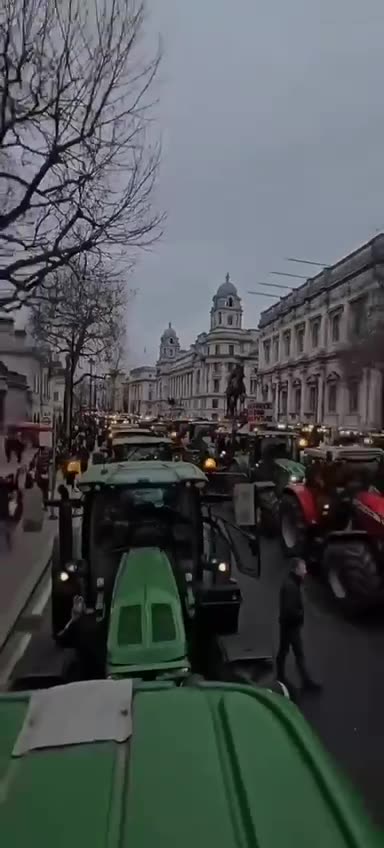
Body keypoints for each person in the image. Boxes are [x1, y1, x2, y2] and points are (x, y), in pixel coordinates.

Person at [276, 558, 322, 692]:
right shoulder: (290, 587)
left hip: (287, 625)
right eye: (303, 568)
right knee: (298, 653)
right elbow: (289, 610)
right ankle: (306, 682)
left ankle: (280, 677)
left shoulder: (291, 583)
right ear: (295, 569)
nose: (305, 571)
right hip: (291, 626)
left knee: (284, 651)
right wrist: (300, 614)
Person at [0, 477, 12, 550]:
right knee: (7, 530)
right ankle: (9, 545)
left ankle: (8, 544)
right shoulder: (6, 490)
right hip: (5, 512)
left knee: (5, 529)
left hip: (3, 512)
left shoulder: (5, 490)